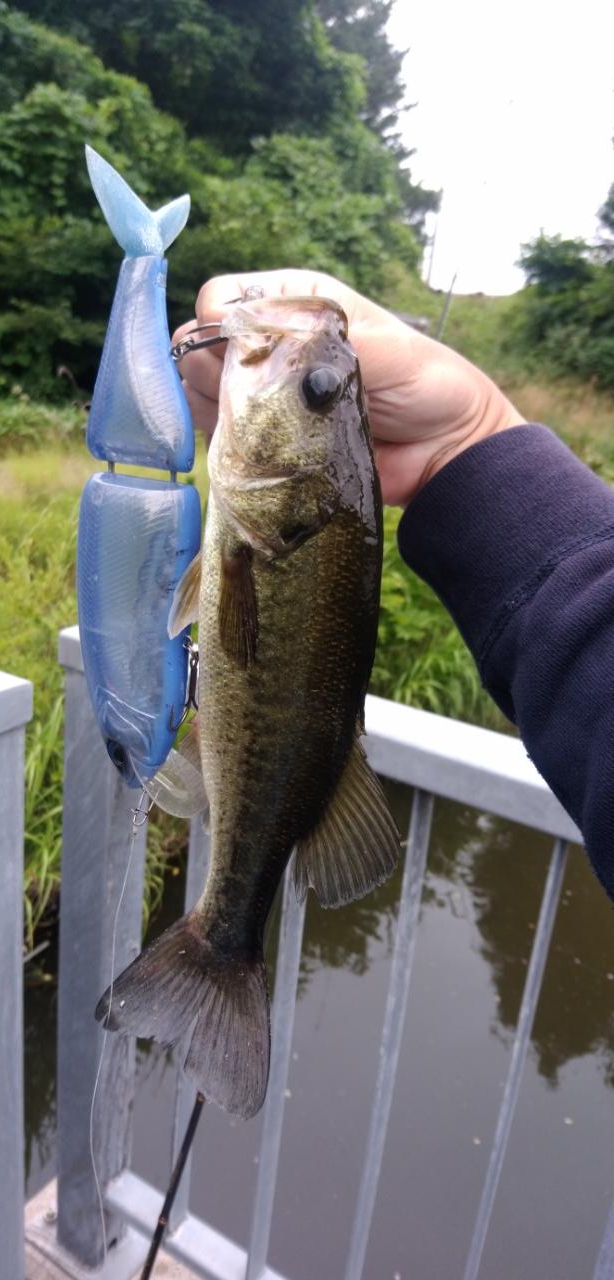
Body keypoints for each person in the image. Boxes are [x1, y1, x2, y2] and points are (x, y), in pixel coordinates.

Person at [172, 269, 614, 902]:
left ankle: (226, 925)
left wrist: (473, 435)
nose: (314, 372)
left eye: (318, 389)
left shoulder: (266, 536)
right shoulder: (266, 533)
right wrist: (471, 436)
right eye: (323, 388)